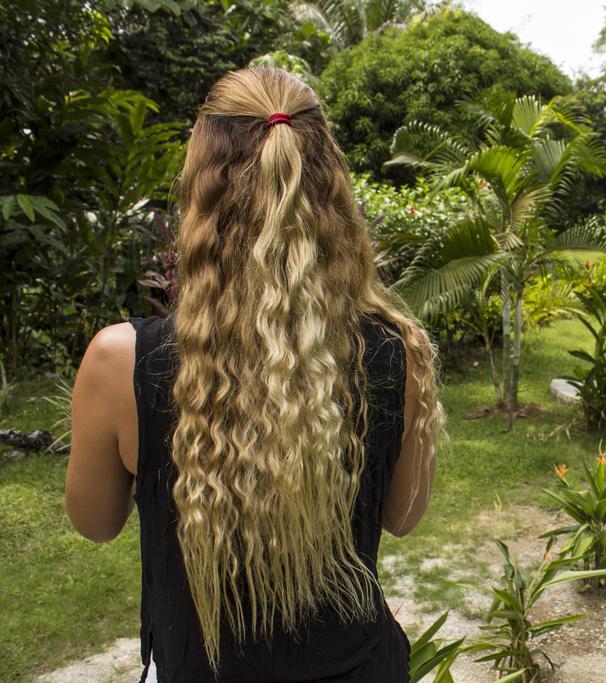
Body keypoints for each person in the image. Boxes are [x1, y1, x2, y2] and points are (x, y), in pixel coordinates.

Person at [63, 66, 441, 682]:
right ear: (330, 192)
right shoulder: (401, 350)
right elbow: (403, 516)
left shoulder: (119, 361)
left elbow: (95, 521)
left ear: (201, 191)